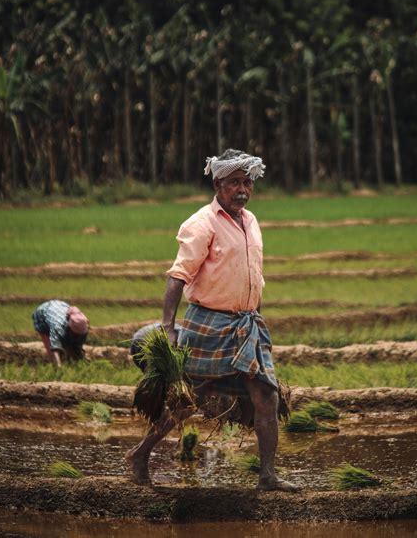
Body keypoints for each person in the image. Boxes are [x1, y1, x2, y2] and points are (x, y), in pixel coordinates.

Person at [126, 149, 300, 492]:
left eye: (247, 182)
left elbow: (254, 277)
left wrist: (257, 320)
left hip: (247, 324)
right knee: (186, 400)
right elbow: (178, 276)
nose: (243, 189)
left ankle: (268, 475)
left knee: (267, 396)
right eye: (235, 182)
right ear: (218, 183)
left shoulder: (250, 221)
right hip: (208, 324)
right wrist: (168, 327)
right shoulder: (201, 223)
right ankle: (140, 454)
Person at [32, 300, 89, 366]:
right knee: (51, 348)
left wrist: (80, 356)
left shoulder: (83, 322)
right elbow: (54, 348)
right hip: (43, 313)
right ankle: (53, 364)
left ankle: (70, 362)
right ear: (69, 328)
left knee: (71, 347)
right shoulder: (58, 327)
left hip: (60, 305)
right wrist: (58, 366)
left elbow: (78, 345)